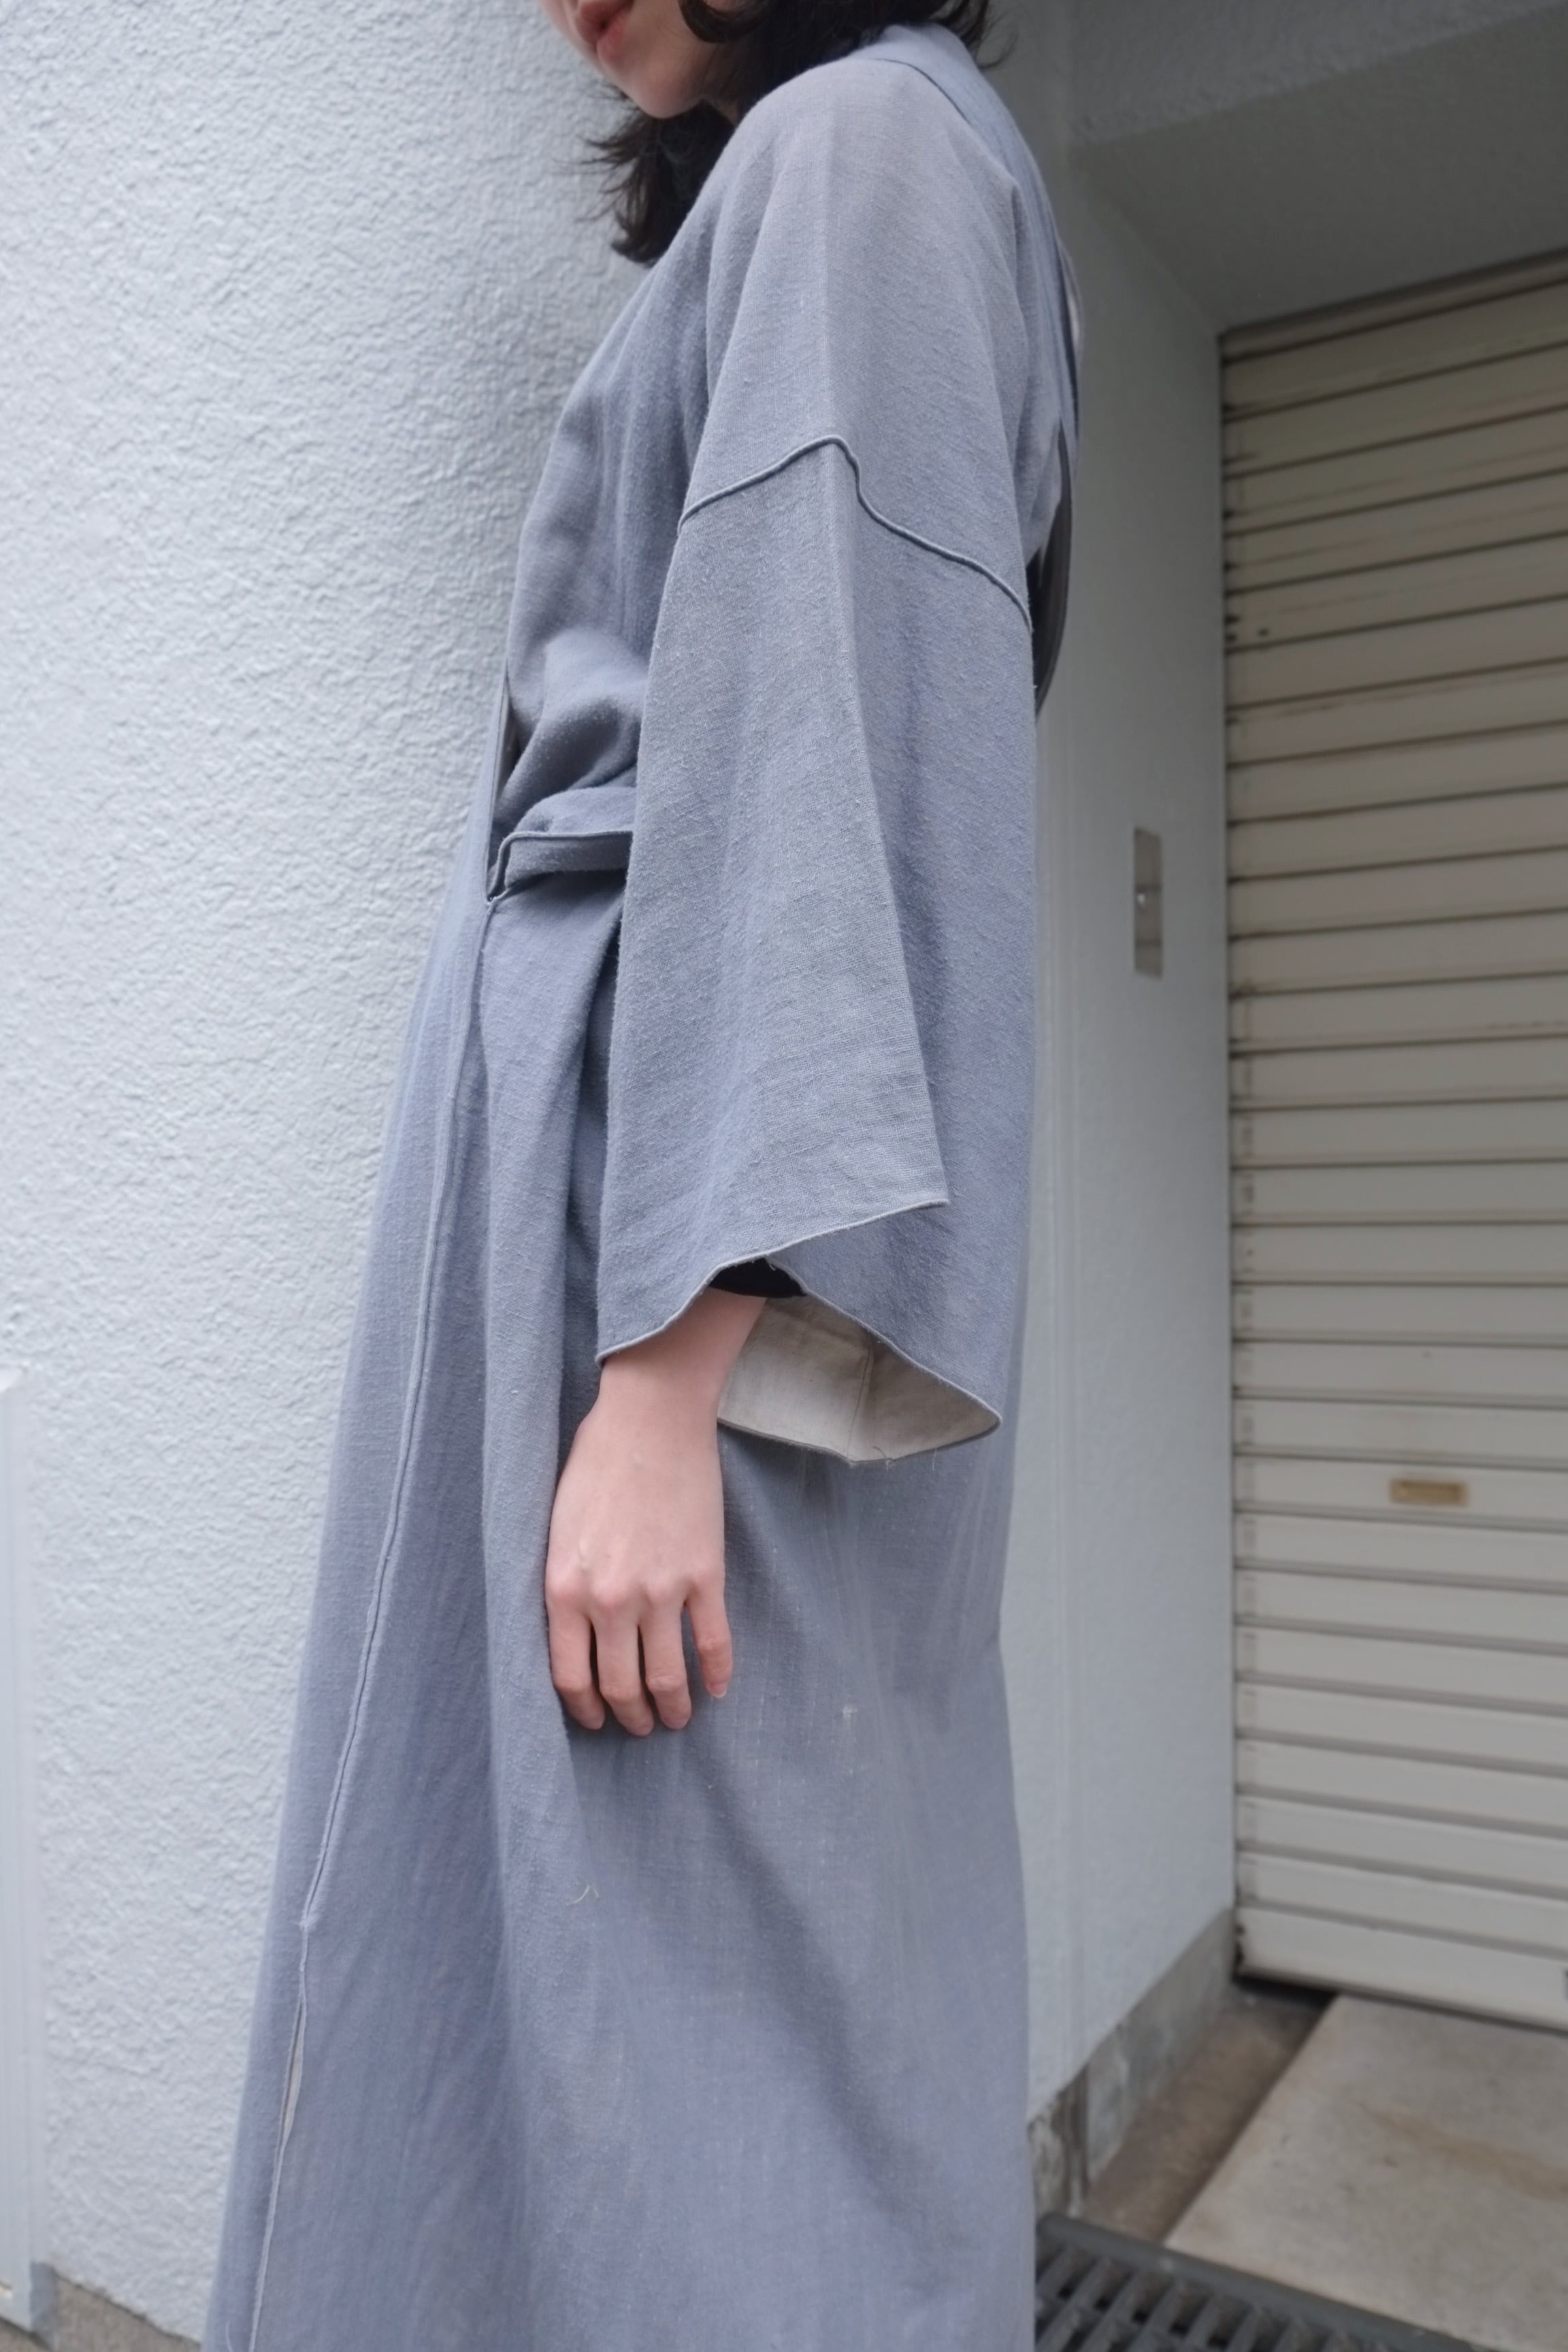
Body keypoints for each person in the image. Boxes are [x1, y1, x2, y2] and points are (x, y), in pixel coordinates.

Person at [203, 3, 1079, 2347]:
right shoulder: (838, 171)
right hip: (633, 1231)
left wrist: (676, 1360)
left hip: (678, 1270)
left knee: (696, 2046)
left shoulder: (864, 150)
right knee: (644, 2027)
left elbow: (830, 719)